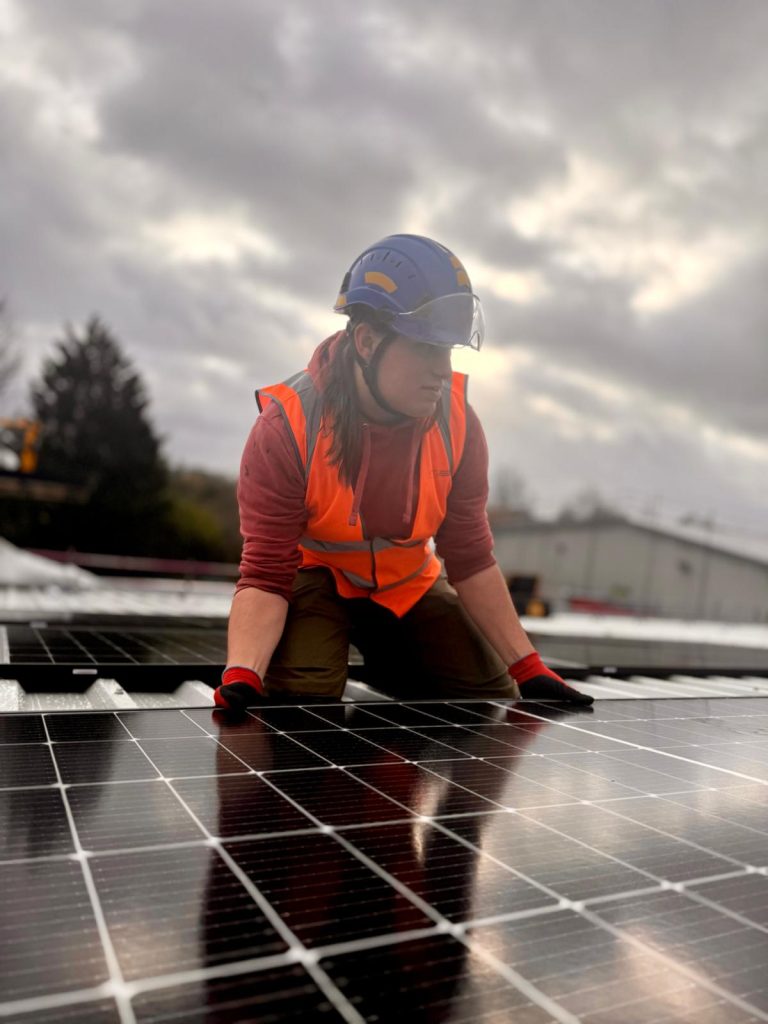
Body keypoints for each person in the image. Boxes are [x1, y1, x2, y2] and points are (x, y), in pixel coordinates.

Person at [215, 234, 593, 711]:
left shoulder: (458, 424)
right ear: (367, 341)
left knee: (489, 694)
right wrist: (244, 673)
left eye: (448, 351)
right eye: (426, 349)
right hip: (314, 582)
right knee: (301, 702)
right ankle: (331, 656)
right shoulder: (288, 428)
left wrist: (528, 667)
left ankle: (393, 661)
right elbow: (266, 573)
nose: (443, 371)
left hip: (407, 586)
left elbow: (470, 556)